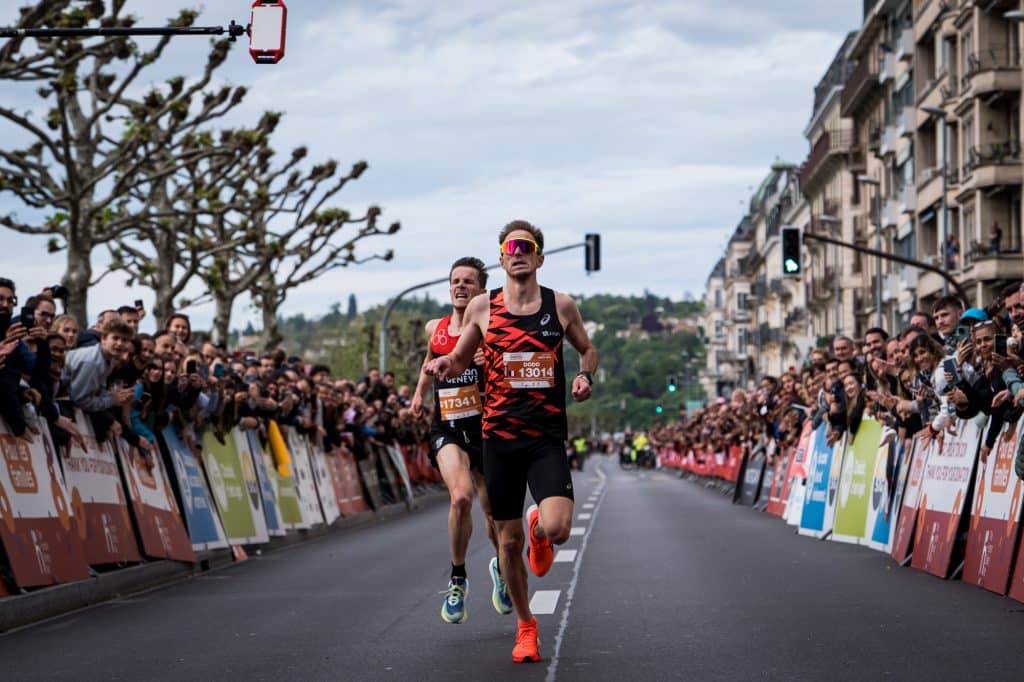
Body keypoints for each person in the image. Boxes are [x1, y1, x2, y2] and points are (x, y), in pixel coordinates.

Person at [425, 220, 598, 664]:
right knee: (506, 544)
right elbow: (462, 355)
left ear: (538, 258)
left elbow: (587, 348)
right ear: (501, 259)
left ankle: (540, 527)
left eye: (527, 246)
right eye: (509, 247)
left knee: (558, 528)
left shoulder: (561, 306)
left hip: (544, 438)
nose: (518, 252)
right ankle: (526, 626)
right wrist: (446, 364)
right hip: (497, 440)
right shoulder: (484, 307)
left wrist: (584, 376)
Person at [410, 256, 510, 625]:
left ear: (482, 290)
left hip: (486, 429)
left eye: (469, 281)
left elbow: (511, 372)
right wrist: (419, 394)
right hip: (448, 426)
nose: (461, 286)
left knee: (493, 513)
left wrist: (490, 363)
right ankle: (457, 578)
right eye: (456, 280)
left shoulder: (492, 329)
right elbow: (430, 359)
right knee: (461, 496)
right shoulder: (434, 326)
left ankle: (500, 567)